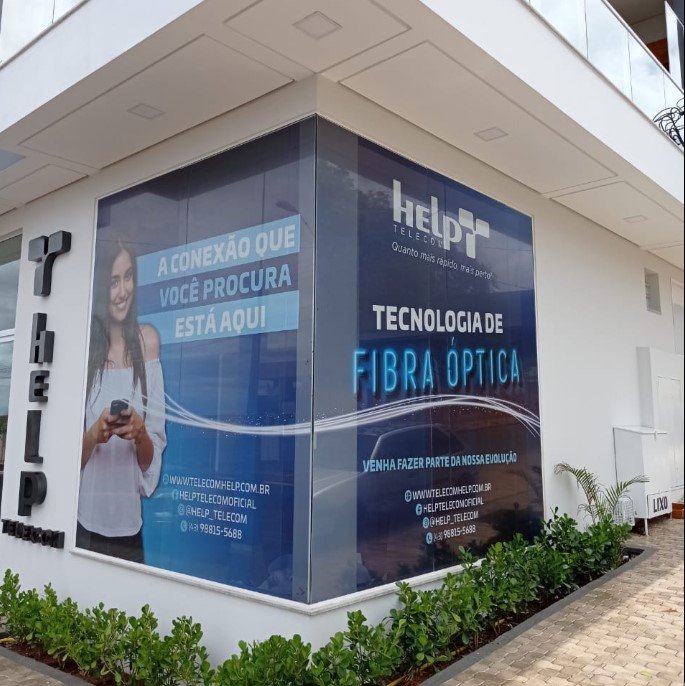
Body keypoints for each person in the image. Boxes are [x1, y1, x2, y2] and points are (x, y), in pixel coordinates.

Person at [77, 238, 166, 563]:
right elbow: (64, 461)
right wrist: (93, 435)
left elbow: (151, 465)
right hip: (83, 524)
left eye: (128, 277)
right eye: (113, 281)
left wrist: (140, 433)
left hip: (129, 528)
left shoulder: (148, 342)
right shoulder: (84, 349)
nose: (123, 291)